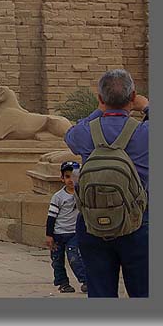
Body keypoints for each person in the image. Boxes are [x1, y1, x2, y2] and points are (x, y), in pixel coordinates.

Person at [64, 68, 149, 298]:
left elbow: (69, 135)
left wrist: (98, 111)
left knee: (100, 293)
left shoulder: (84, 133)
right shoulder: (145, 133)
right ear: (132, 98)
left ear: (100, 99)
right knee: (145, 293)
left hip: (93, 223)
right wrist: (146, 107)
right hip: (138, 222)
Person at [46, 161, 87, 293]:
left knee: (74, 257)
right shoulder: (58, 197)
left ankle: (86, 281)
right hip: (58, 233)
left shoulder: (82, 194)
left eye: (74, 176)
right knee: (57, 261)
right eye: (67, 176)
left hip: (74, 233)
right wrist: (49, 235)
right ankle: (63, 283)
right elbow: (51, 218)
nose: (71, 180)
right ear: (62, 178)